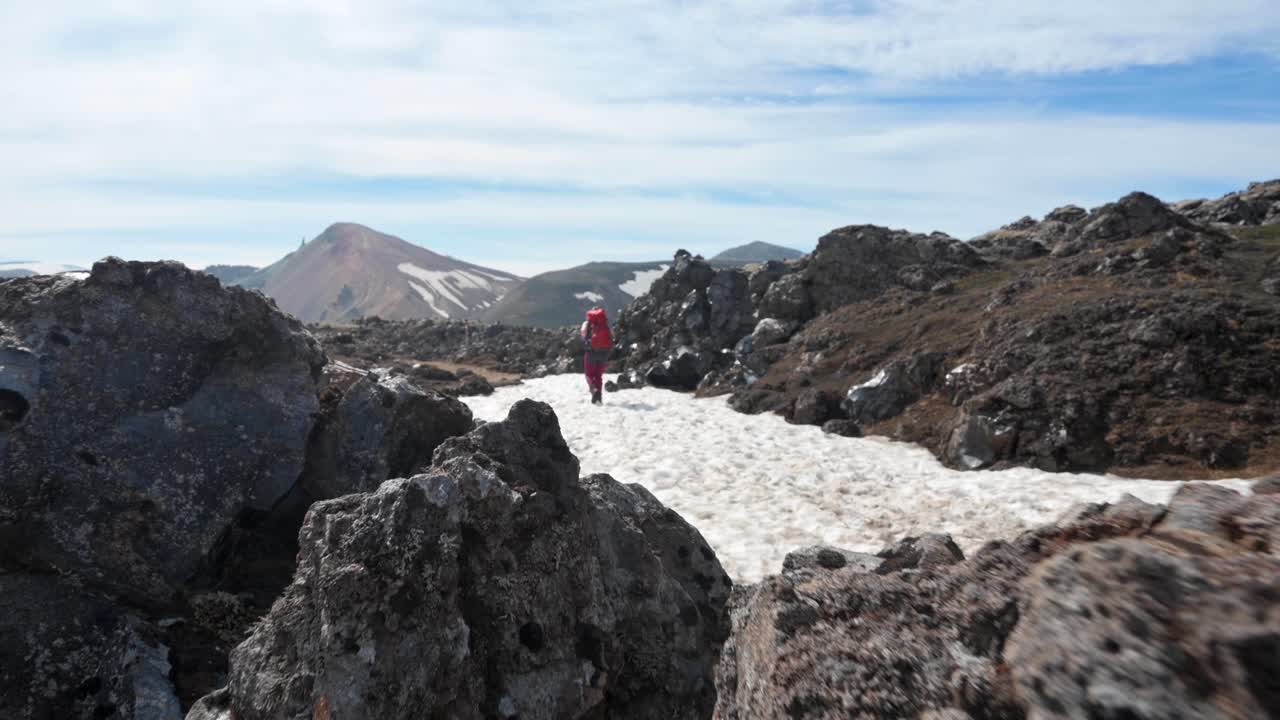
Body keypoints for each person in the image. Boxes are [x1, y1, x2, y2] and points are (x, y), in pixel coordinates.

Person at [580, 307, 612, 404]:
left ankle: (594, 391)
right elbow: (610, 338)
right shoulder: (604, 324)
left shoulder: (587, 324)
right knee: (598, 376)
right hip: (603, 353)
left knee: (589, 374)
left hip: (591, 353)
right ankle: (599, 397)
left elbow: (583, 337)